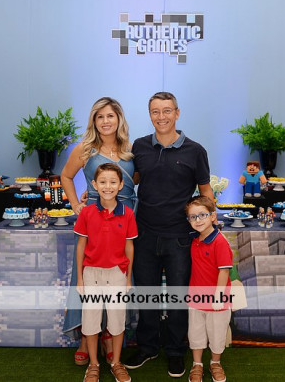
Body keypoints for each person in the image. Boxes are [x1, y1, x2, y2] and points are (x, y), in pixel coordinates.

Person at [124, 92, 214, 378]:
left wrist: (209, 224)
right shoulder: (139, 147)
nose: (161, 117)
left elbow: (205, 192)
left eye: (166, 111)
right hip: (144, 235)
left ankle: (176, 352)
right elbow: (130, 181)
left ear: (177, 113)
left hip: (180, 237)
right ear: (149, 115)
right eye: (155, 111)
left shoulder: (195, 151)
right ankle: (148, 347)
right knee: (146, 294)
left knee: (178, 298)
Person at [61, 97, 136, 366]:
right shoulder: (85, 149)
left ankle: (109, 336)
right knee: (89, 276)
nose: (105, 121)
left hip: (123, 219)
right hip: (93, 223)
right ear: (94, 120)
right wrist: (76, 204)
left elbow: (132, 182)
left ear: (119, 119)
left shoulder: (130, 150)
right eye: (100, 116)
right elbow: (66, 176)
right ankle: (86, 336)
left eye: (110, 116)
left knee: (117, 276)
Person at [75, 163, 137, 382]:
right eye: (102, 182)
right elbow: (81, 246)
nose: (107, 186)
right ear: (94, 184)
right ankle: (93, 364)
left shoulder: (127, 214)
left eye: (112, 182)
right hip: (91, 274)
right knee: (91, 322)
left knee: (117, 321)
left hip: (117, 275)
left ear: (121, 185)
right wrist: (80, 278)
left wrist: (127, 278)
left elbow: (129, 247)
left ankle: (116, 363)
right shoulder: (87, 213)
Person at [184, 196, 232, 382]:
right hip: (196, 298)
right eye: (193, 217)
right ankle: (197, 364)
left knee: (217, 333)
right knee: (195, 333)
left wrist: (218, 296)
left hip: (217, 301)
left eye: (202, 215)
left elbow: (224, 271)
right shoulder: (194, 239)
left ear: (213, 216)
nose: (198, 220)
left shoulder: (220, 241)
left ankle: (215, 363)